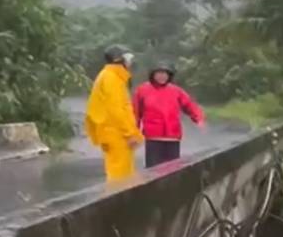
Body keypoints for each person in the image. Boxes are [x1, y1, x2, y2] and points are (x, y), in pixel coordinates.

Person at [85, 45, 142, 181]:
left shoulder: (111, 76)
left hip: (113, 133)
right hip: (117, 134)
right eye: (128, 58)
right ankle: (120, 202)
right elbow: (116, 110)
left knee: (122, 175)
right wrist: (130, 134)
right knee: (120, 177)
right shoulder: (111, 78)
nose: (130, 62)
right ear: (119, 60)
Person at [132, 63, 205, 168]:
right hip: (153, 138)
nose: (162, 76)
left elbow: (190, 105)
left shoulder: (176, 91)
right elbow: (135, 112)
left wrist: (199, 119)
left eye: (165, 74)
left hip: (172, 138)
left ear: (169, 76)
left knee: (172, 170)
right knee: (153, 170)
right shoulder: (142, 90)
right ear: (153, 75)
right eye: (159, 74)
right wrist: (134, 132)